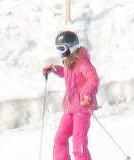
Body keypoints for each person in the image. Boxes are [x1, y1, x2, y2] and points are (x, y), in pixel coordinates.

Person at [41, 29, 98, 160]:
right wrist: (54, 69)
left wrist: (88, 95)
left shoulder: (83, 63)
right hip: (70, 109)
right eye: (58, 49)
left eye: (62, 48)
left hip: (82, 109)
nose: (61, 53)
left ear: (72, 47)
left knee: (79, 144)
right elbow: (67, 73)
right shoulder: (69, 62)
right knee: (59, 139)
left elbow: (92, 78)